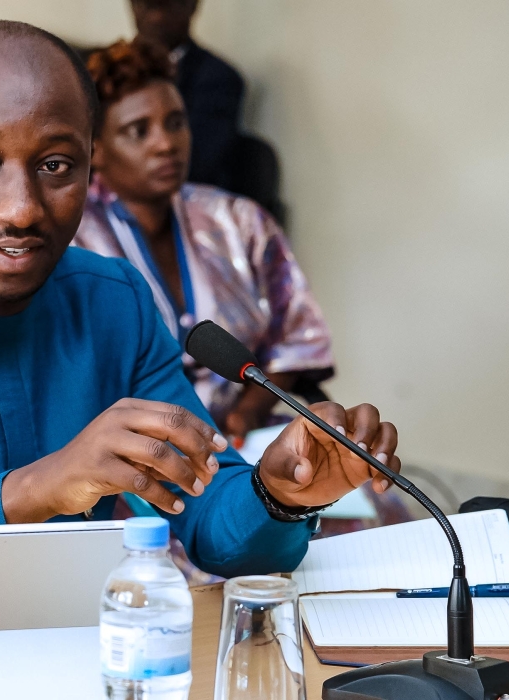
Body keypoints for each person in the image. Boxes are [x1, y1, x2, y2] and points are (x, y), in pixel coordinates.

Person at [0, 20, 401, 656]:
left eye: (56, 165)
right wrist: (35, 490)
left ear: (90, 168)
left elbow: (207, 518)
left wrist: (277, 495)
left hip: (70, 664)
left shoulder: (114, 302)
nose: (21, 207)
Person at [76, 38, 333, 443]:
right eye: (138, 131)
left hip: (243, 443)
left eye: (176, 122)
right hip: (130, 455)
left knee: (358, 489)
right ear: (96, 150)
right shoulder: (72, 243)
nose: (166, 144)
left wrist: (245, 415)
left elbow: (294, 340)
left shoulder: (239, 220)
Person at [131, 0, 243, 188]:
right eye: (147, 5)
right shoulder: (104, 70)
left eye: (165, 5)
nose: (155, 17)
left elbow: (194, 163)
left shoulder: (219, 78)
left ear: (191, 6)